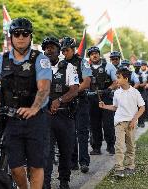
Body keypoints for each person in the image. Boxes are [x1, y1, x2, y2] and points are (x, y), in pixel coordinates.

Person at [0, 18, 52, 189]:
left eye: (25, 34)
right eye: (16, 34)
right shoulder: (0, 61)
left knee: (36, 165)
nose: (21, 37)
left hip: (36, 120)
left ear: (30, 36)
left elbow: (44, 88)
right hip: (10, 119)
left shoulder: (40, 60)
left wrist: (34, 107)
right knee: (16, 166)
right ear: (11, 36)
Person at [42, 37, 79, 189]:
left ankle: (64, 181)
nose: (49, 50)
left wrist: (60, 101)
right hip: (45, 116)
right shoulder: (39, 67)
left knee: (66, 150)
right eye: (46, 48)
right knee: (46, 152)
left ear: (59, 50)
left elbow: (75, 89)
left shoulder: (69, 67)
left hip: (64, 115)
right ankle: (46, 183)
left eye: (52, 47)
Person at [99, 67, 145, 177]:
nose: (116, 81)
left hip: (131, 123)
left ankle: (130, 165)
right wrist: (105, 106)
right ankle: (119, 167)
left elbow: (142, 108)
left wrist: (134, 120)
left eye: (118, 78)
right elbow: (115, 107)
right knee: (119, 145)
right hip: (119, 122)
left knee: (130, 145)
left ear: (126, 78)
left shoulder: (135, 92)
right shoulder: (117, 93)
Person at [61, 37, 91, 173]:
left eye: (66, 50)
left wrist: (73, 92)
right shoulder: (61, 64)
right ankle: (73, 162)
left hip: (80, 101)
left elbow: (86, 82)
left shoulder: (82, 62)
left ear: (73, 49)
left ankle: (84, 161)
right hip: (67, 103)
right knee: (70, 133)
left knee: (82, 132)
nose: (64, 53)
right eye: (62, 50)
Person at [87, 46, 117, 155]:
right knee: (94, 124)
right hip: (92, 98)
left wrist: (108, 89)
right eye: (92, 54)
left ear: (99, 54)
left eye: (96, 53)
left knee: (108, 124)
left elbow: (116, 82)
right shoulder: (86, 67)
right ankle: (96, 147)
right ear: (89, 57)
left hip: (106, 97)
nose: (94, 55)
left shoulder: (109, 66)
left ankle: (110, 146)